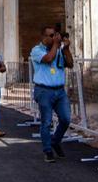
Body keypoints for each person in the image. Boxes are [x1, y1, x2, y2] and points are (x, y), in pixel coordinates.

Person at [30, 25, 74, 162]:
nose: (55, 38)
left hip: (59, 91)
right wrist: (56, 44)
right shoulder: (36, 50)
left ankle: (55, 141)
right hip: (44, 91)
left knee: (66, 119)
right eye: (51, 36)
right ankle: (48, 150)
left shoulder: (59, 50)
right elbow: (48, 58)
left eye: (55, 35)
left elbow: (70, 64)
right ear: (43, 37)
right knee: (47, 122)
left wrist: (66, 48)